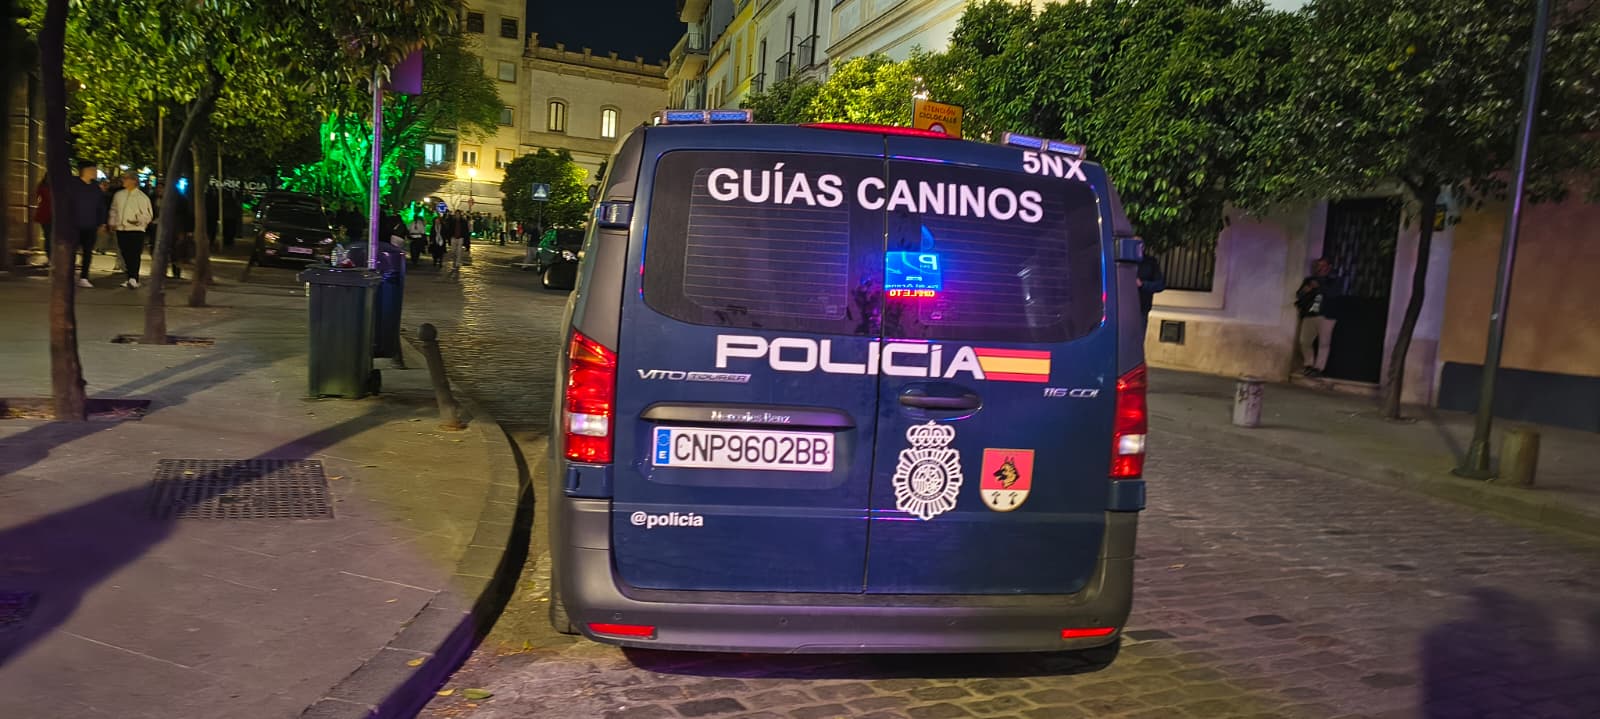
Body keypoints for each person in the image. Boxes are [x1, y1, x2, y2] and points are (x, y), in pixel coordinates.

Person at [1295, 257, 1341, 377]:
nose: (1320, 268)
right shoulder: (1309, 280)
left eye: (1323, 266)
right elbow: (1299, 294)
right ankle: (1308, 364)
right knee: (1304, 341)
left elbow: (1333, 294)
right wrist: (1308, 289)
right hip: (1310, 314)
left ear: (1329, 267)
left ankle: (1319, 368)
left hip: (1327, 316)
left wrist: (1319, 286)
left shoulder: (1334, 280)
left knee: (1324, 343)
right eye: (1318, 266)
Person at [107, 172, 153, 289]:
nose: (123, 181)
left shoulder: (142, 197)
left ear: (133, 181)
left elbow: (147, 215)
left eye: (126, 179)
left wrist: (138, 221)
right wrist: (112, 222)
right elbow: (113, 209)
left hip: (136, 230)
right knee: (125, 253)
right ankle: (130, 277)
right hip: (121, 229)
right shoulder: (119, 195)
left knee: (134, 254)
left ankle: (134, 278)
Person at [68, 161, 109, 288]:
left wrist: (102, 223)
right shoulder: (73, 185)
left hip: (90, 225)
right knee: (71, 252)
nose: (95, 172)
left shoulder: (95, 187)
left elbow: (101, 207)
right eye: (93, 170)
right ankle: (68, 276)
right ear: (85, 170)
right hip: (74, 225)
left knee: (87, 252)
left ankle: (84, 277)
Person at [1136, 252, 1166, 335]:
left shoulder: (1150, 263)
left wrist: (1142, 284)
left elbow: (1160, 285)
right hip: (1120, 310)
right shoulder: (1120, 261)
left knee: (1138, 340)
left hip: (1142, 308)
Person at [32, 173, 51, 255]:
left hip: (48, 214)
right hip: (46, 214)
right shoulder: (43, 186)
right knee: (48, 236)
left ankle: (51, 257)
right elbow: (36, 197)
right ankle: (50, 257)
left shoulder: (42, 186)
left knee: (48, 236)